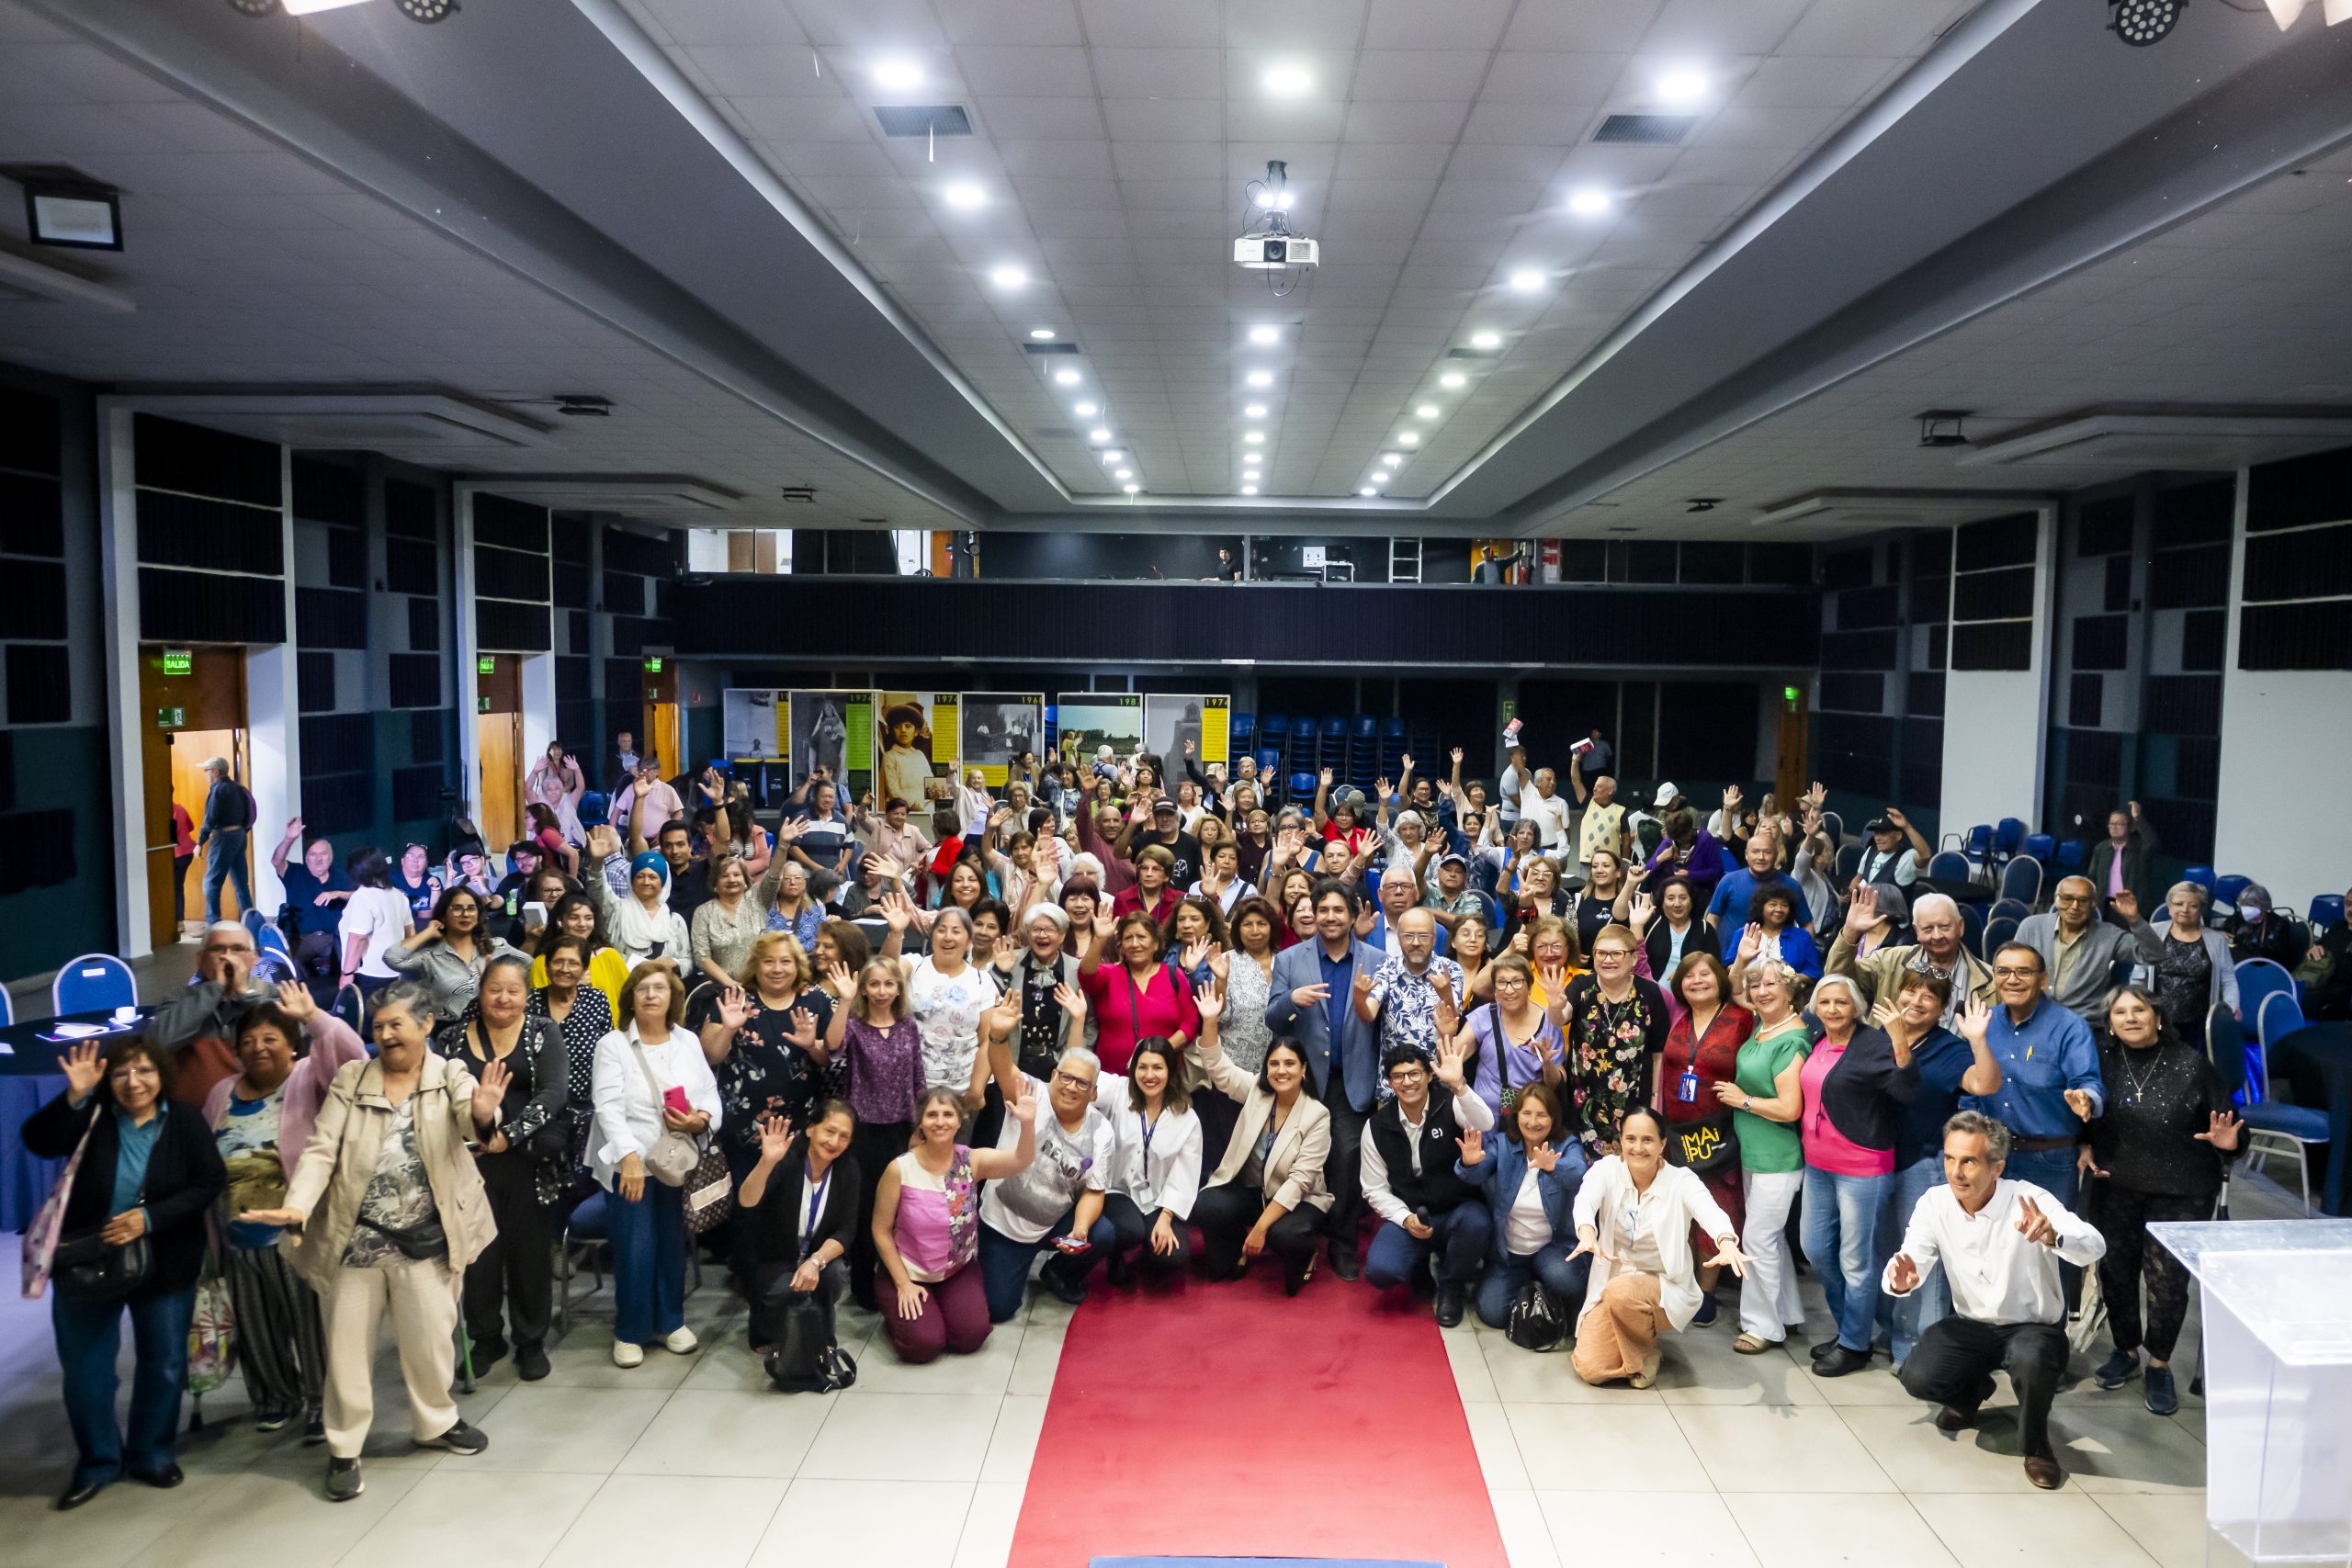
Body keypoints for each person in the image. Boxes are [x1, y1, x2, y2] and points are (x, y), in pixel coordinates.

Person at [233, 981, 499, 1502]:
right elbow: (321, 1149)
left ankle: (436, 1421)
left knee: (431, 1340)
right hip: (354, 1241)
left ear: (426, 1023)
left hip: (427, 1237)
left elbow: (472, 1119)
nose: (387, 1034)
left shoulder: (450, 1074)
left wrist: (486, 1112)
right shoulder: (352, 1079)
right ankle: (344, 1446)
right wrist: (298, 1205)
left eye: (397, 1024)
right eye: (379, 1026)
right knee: (347, 1350)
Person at [27, 1037, 227, 1510]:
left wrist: (150, 1218)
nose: (133, 1082)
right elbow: (38, 1141)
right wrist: (73, 1096)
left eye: (144, 1071)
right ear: (108, 1079)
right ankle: (98, 1461)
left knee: (164, 1364)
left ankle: (152, 1454)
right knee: (86, 1371)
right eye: (121, 1073)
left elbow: (210, 1181)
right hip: (87, 1258)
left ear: (162, 1075)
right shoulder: (92, 1115)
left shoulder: (183, 1119)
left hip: (166, 1259)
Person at [1884, 1111, 2107, 1490]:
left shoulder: (2030, 1199)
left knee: (2032, 1359)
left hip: (2032, 1327)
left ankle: (2036, 1445)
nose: (1956, 1172)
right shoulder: (1935, 1202)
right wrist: (1901, 1280)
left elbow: (2094, 1244)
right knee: (1917, 1376)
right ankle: (1970, 1393)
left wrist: (2053, 1235)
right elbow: (1911, 1257)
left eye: (1968, 1161)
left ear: (1997, 1167)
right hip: (1972, 1325)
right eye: (1950, 1159)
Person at [204, 983, 370, 1441]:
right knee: (255, 1329)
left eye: (270, 1039)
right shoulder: (221, 1092)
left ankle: (321, 1402)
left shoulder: (309, 1077)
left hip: (297, 1235)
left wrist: (315, 1017)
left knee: (310, 1325)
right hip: (237, 1235)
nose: (258, 1048)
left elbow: (354, 1060)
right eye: (248, 1041)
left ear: (292, 1044)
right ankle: (276, 1398)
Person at [2080, 986, 2242, 1416]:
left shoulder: (2191, 1064)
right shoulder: (2100, 1061)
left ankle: (2159, 1363)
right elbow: (2083, 1114)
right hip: (2116, 1184)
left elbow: (2232, 1127)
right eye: (2120, 1012)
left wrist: (2230, 1143)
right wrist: (2083, 1143)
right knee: (2115, 1272)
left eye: (2139, 1010)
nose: (2130, 1018)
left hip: (2183, 1188)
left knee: (2166, 1282)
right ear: (2109, 1023)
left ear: (2157, 1017)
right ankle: (2126, 1350)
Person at [589, 961, 721, 1369]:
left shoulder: (687, 1041)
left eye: (659, 988)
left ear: (672, 997)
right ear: (630, 997)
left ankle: (670, 1321)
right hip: (631, 1165)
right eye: (642, 988)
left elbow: (709, 1092)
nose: (650, 995)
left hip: (676, 1162)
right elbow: (607, 1107)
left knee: (670, 1244)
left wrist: (701, 1120)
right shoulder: (613, 1044)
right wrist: (628, 1158)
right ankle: (630, 1331)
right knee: (635, 1249)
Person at [445, 953, 567, 1380]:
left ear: (526, 995)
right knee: (478, 1256)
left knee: (529, 1254)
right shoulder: (453, 1037)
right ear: (480, 992)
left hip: (527, 1161)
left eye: (513, 990)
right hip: (469, 1163)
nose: (503, 998)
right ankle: (486, 1338)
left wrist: (507, 1136)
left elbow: (554, 1093)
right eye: (494, 989)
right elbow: (442, 1096)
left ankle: (530, 1341)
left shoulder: (542, 1031)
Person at [1871, 976, 2002, 1367]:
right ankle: (1890, 1329)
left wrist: (1978, 1040)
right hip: (1875, 1163)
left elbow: (1984, 1084)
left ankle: (1915, 1348)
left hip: (1922, 1162)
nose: (1917, 1000)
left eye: (1930, 996)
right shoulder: (1878, 1037)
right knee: (1884, 1252)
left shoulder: (1949, 1049)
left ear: (1943, 1009)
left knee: (1921, 1259)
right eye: (1911, 991)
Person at [1568, 1105, 1748, 1387]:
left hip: (1664, 1288)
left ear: (1663, 1144)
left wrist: (1726, 1241)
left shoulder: (1681, 1180)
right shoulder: (1607, 1170)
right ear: (1621, 1140)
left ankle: (1644, 1352)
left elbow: (1709, 1210)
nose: (1638, 1148)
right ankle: (1634, 1341)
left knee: (1621, 1292)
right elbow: (1585, 1199)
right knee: (1591, 1368)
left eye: (1648, 1140)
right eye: (1631, 1139)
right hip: (1615, 1284)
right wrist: (1587, 1231)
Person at [1792, 973, 1917, 1376]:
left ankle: (1853, 1343)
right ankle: (1851, 1327)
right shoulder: (1818, 1039)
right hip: (1818, 1165)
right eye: (1825, 1002)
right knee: (1815, 1249)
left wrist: (1900, 1042)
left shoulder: (1873, 1044)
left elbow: (1906, 1091)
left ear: (1857, 1008)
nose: (1832, 1009)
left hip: (1861, 1169)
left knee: (1855, 1261)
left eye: (1841, 1002)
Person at [1263, 879, 1384, 1281]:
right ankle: (1301, 1236)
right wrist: (1291, 1002)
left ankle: (1343, 1243)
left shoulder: (1378, 960)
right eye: (1323, 910)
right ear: (1313, 915)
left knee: (1347, 1159)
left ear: (1352, 915)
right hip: (1305, 1083)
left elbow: (1383, 1023)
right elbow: (1273, 1019)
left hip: (1354, 1080)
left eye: (1338, 910)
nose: (1330, 917)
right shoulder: (1289, 959)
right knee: (1301, 1161)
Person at [873, 1085, 1037, 1363]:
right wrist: (902, 1283)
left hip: (956, 1270)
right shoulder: (899, 1169)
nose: (940, 1122)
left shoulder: (971, 1161)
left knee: (970, 1337)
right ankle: (902, 1312)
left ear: (960, 1120)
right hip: (908, 1271)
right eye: (932, 1115)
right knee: (924, 1346)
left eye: (948, 1114)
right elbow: (880, 1230)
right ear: (920, 1122)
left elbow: (1021, 1160)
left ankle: (937, 1310)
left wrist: (1028, 1123)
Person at [1189, 984, 1332, 1294]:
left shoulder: (1317, 1115)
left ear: (1303, 1069)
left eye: (1290, 1064)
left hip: (1297, 1200)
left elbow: (1299, 1182)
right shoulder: (1257, 1090)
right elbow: (1218, 1067)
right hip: (1254, 1191)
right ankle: (1233, 1256)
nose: (1281, 1071)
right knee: (1208, 1204)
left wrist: (1260, 1229)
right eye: (1274, 1064)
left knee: (1286, 1236)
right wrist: (1210, 1021)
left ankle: (1306, 1251)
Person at [977, 1037, 1117, 1320]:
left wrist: (1079, 1229)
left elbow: (1094, 1191)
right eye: (1066, 1077)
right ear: (1054, 1076)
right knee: (998, 1309)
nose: (1071, 1087)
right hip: (1002, 1226)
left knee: (1102, 1233)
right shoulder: (1032, 1093)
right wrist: (999, 1038)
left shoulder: (1102, 1131)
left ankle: (1059, 1273)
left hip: (1051, 1224)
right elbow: (1004, 1068)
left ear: (1093, 1093)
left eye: (1082, 1083)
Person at [1963, 943, 2103, 1224]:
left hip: (2048, 1160)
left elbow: (2087, 1081)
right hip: (1992, 1157)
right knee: (1992, 1240)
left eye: (2023, 972)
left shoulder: (2069, 1026)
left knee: (2049, 1242)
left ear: (2043, 979)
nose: (2012, 979)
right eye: (2003, 971)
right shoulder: (1983, 1022)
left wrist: (2085, 1099)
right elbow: (1970, 1090)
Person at [819, 957, 930, 1307]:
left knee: (902, 1208)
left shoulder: (907, 1025)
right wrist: (845, 1000)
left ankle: (898, 1278)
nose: (882, 991)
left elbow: (918, 1075)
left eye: (888, 984)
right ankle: (865, 1287)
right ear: (864, 989)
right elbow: (832, 1046)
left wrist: (921, 1125)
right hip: (863, 1130)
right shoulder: (854, 1025)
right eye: (874, 984)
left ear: (898, 988)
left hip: (901, 1129)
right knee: (866, 1209)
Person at [1363, 1038, 1496, 1325]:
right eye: (1398, 1076)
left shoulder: (1450, 1103)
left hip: (1457, 1209)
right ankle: (1418, 1265)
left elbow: (1485, 1122)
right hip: (1412, 1214)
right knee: (1380, 1270)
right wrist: (1404, 1218)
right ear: (1390, 1082)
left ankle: (1451, 1285)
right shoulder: (1377, 1126)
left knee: (1477, 1224)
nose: (1407, 1082)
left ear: (1428, 1076)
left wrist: (1459, 1085)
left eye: (1414, 1074)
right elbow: (1373, 1189)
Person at [1717, 959, 1812, 1354]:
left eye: (1771, 984)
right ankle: (1786, 1314)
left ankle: (1761, 1327)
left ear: (1789, 991)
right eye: (1756, 985)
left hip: (1779, 1155)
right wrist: (1742, 961)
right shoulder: (1762, 1026)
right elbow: (1731, 988)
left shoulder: (1793, 1038)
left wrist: (1744, 1100)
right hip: (1754, 1152)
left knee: (1757, 1238)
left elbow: (1790, 1107)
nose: (1761, 991)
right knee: (1770, 1239)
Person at [1656, 951, 1751, 1325]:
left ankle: (1706, 1291)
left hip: (1719, 1132)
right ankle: (1683, 1283)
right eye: (1689, 976)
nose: (1697, 981)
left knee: (1717, 1207)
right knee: (1680, 1209)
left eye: (1705, 974)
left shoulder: (1741, 1018)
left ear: (1720, 979)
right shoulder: (1677, 1016)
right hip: (1677, 1131)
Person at [1455, 1080, 1585, 1331]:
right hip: (1510, 1255)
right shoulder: (1503, 1144)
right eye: (1526, 1113)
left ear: (1553, 1118)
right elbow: (1475, 1175)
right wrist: (1469, 1163)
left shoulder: (1567, 1145)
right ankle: (1530, 1287)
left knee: (1563, 1277)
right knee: (1492, 1313)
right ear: (1516, 1116)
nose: (1533, 1122)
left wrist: (1552, 1166)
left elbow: (1578, 1173)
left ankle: (1555, 1292)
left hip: (1552, 1250)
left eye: (1541, 1115)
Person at [738, 1102, 860, 1357]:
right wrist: (766, 1163)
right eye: (829, 1131)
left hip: (816, 1254)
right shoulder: (787, 1158)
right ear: (811, 1129)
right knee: (787, 1290)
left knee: (835, 1275)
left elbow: (846, 1231)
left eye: (844, 1136)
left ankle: (822, 1336)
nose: (834, 1142)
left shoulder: (848, 1169)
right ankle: (767, 1329)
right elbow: (747, 1201)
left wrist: (816, 1261)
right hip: (774, 1258)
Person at [1090, 1035, 1203, 1287]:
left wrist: (1166, 1217)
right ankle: (1117, 1254)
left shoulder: (1186, 1117)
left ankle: (1148, 1248)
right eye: (1142, 1067)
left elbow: (1184, 1175)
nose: (1149, 1075)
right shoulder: (1119, 1091)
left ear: (1170, 1071)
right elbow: (1082, 1077)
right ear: (1134, 1068)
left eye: (1157, 1068)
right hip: (1117, 1191)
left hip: (1157, 1199)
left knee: (1172, 1257)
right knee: (1129, 1230)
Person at [1560, 923, 1669, 1158]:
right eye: (1601, 953)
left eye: (1616, 953)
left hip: (1634, 1105)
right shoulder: (1582, 986)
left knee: (1629, 1170)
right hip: (1585, 1105)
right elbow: (1560, 1016)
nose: (1607, 960)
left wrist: (1654, 1101)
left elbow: (1658, 1054)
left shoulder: (1650, 993)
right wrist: (1554, 1004)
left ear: (1633, 958)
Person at [1827, 886, 1995, 1026]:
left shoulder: (1989, 980)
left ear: (1960, 927)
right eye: (1928, 929)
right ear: (1916, 931)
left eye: (1944, 927)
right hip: (1889, 1053)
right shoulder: (1890, 961)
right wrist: (1850, 932)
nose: (1937, 936)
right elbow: (1836, 980)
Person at [150, 919, 270, 1108]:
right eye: (218, 949)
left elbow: (294, 1038)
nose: (227, 957)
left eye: (238, 949)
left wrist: (244, 993)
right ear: (201, 960)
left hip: (257, 1112)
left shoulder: (271, 994)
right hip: (195, 1114)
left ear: (253, 959)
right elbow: (156, 1043)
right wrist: (214, 989)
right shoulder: (181, 998)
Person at [530, 931, 616, 1170]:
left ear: (584, 968)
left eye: (573, 963)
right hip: (538, 1110)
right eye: (558, 962)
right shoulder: (529, 1003)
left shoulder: (596, 1000)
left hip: (586, 1109)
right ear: (547, 967)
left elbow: (608, 1052)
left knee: (583, 1181)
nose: (565, 969)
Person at [1079, 908, 1194, 1076]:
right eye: (1128, 938)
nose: (1134, 944)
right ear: (1121, 946)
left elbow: (1190, 1024)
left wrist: (1159, 1052)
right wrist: (1099, 939)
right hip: (1112, 1077)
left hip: (1161, 1076)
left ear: (1155, 944)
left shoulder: (1174, 975)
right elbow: (1086, 976)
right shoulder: (1109, 974)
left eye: (1141, 937)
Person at [2018, 877, 2145, 1021]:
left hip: (2084, 1023)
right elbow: (2013, 970)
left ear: (2093, 903)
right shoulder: (2031, 927)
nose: (2074, 906)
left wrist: (2135, 920)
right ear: (2056, 899)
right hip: (2034, 1019)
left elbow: (2152, 955)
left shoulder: (2109, 935)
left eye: (2083, 900)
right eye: (2067, 899)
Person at [1356, 907, 1466, 1073]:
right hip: (1395, 1079)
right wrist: (1359, 999)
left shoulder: (1450, 969)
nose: (1416, 943)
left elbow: (1454, 1023)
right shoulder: (1387, 968)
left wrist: (1446, 996)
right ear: (1398, 938)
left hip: (1438, 1076)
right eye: (1408, 936)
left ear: (1434, 939)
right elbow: (1368, 1015)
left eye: (1423, 936)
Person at [384, 885, 516, 1021]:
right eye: (457, 908)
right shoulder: (430, 956)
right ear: (443, 916)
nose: (465, 914)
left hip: (492, 1026)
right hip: (449, 1029)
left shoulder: (496, 946)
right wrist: (428, 932)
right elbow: (392, 957)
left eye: (471, 908)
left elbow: (528, 966)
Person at [2135, 881, 2237, 1052]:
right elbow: (2139, 972)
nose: (2185, 910)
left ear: (2201, 909)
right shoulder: (2152, 932)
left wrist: (2231, 1004)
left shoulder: (2217, 940)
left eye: (2193, 906)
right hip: (2158, 1019)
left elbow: (2228, 978)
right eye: (2178, 904)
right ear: (2169, 907)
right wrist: (2139, 1004)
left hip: (2198, 1024)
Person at [585, 825, 692, 969]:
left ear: (663, 883)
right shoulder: (617, 910)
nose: (646, 882)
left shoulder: (675, 921)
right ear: (631, 880)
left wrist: (675, 963)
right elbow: (597, 890)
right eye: (640, 876)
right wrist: (597, 863)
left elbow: (687, 960)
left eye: (653, 877)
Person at [1706, 830, 1811, 961]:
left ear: (1776, 855)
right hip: (1731, 961)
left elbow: (1807, 925)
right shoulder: (1729, 881)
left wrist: (1805, 957)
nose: (1761, 857)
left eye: (1767, 852)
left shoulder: (1791, 885)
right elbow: (1712, 918)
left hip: (1779, 963)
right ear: (1746, 855)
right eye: (1755, 852)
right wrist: (1712, 950)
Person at [270, 819, 355, 976]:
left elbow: (359, 895)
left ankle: (344, 987)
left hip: (332, 938)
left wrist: (339, 894)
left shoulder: (340, 877)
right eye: (313, 854)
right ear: (306, 858)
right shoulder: (295, 873)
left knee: (353, 951)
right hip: (302, 940)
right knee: (291, 963)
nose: (318, 858)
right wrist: (289, 839)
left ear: (330, 857)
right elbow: (276, 861)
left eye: (323, 854)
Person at [339, 848, 417, 1000]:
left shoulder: (363, 896)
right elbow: (410, 931)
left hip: (368, 972)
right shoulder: (398, 895)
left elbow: (358, 938)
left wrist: (347, 973)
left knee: (368, 1014)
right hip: (395, 971)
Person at [691, 852, 768, 992]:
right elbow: (701, 956)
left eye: (737, 875)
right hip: (722, 989)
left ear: (746, 881)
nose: (731, 879)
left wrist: (783, 846)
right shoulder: (703, 912)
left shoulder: (757, 901)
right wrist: (731, 984)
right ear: (715, 883)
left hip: (762, 986)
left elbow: (774, 878)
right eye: (724, 876)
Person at [196, 754, 255, 922]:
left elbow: (210, 818)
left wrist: (200, 842)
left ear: (215, 771)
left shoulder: (218, 789)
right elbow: (249, 813)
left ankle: (213, 924)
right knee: (241, 884)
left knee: (211, 883)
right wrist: (242, 831)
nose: (205, 774)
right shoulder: (237, 788)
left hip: (223, 837)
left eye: (206, 770)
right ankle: (251, 922)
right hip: (239, 835)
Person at [2086, 799, 2160, 923]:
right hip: (2105, 905)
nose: (2114, 827)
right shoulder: (2101, 848)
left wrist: (2138, 818)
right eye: (2111, 823)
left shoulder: (2139, 848)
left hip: (2131, 905)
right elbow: (2091, 876)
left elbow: (2152, 842)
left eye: (2119, 824)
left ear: (2131, 828)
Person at [1644, 808, 1730, 910]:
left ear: (1690, 830)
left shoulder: (1705, 839)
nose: (1679, 841)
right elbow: (1646, 871)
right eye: (1676, 838)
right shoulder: (1669, 841)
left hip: (1697, 894)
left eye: (1682, 837)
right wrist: (1660, 858)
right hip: (1670, 894)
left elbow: (1717, 871)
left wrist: (1690, 875)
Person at [1635, 874, 1714, 982]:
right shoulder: (1651, 923)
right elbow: (1634, 958)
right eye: (1671, 898)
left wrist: (1685, 972)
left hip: (1692, 990)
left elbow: (1714, 967)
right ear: (1662, 902)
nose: (1677, 904)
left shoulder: (1705, 928)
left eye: (1683, 898)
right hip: (1652, 990)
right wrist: (1636, 925)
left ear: (1691, 901)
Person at [1567, 752, 1626, 872]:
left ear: (1610, 791)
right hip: (1587, 862)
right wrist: (1575, 761)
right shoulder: (1588, 803)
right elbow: (1576, 781)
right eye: (1595, 786)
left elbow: (1626, 841)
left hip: (1611, 864)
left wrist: (1624, 864)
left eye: (1599, 786)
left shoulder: (1621, 811)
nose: (1594, 789)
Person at [2222, 882, 2304, 969]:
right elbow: (2220, 929)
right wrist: (2220, 933)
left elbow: (2267, 953)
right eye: (2243, 904)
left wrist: (2237, 943)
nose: (2245, 909)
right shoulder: (2238, 917)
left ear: (2263, 905)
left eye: (2250, 905)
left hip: (2264, 968)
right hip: (2236, 964)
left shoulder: (2279, 924)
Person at [1855, 810, 1929, 889]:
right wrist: (1852, 890)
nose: (1877, 838)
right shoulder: (1871, 850)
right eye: (1876, 833)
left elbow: (1925, 855)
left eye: (1883, 833)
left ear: (1898, 836)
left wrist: (1907, 827)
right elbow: (1858, 878)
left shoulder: (1907, 857)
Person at [389, 841, 443, 926]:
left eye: (421, 857)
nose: (415, 860)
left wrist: (436, 890)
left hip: (427, 929)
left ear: (426, 863)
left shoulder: (434, 882)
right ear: (402, 861)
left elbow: (436, 914)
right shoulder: (390, 880)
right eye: (411, 856)